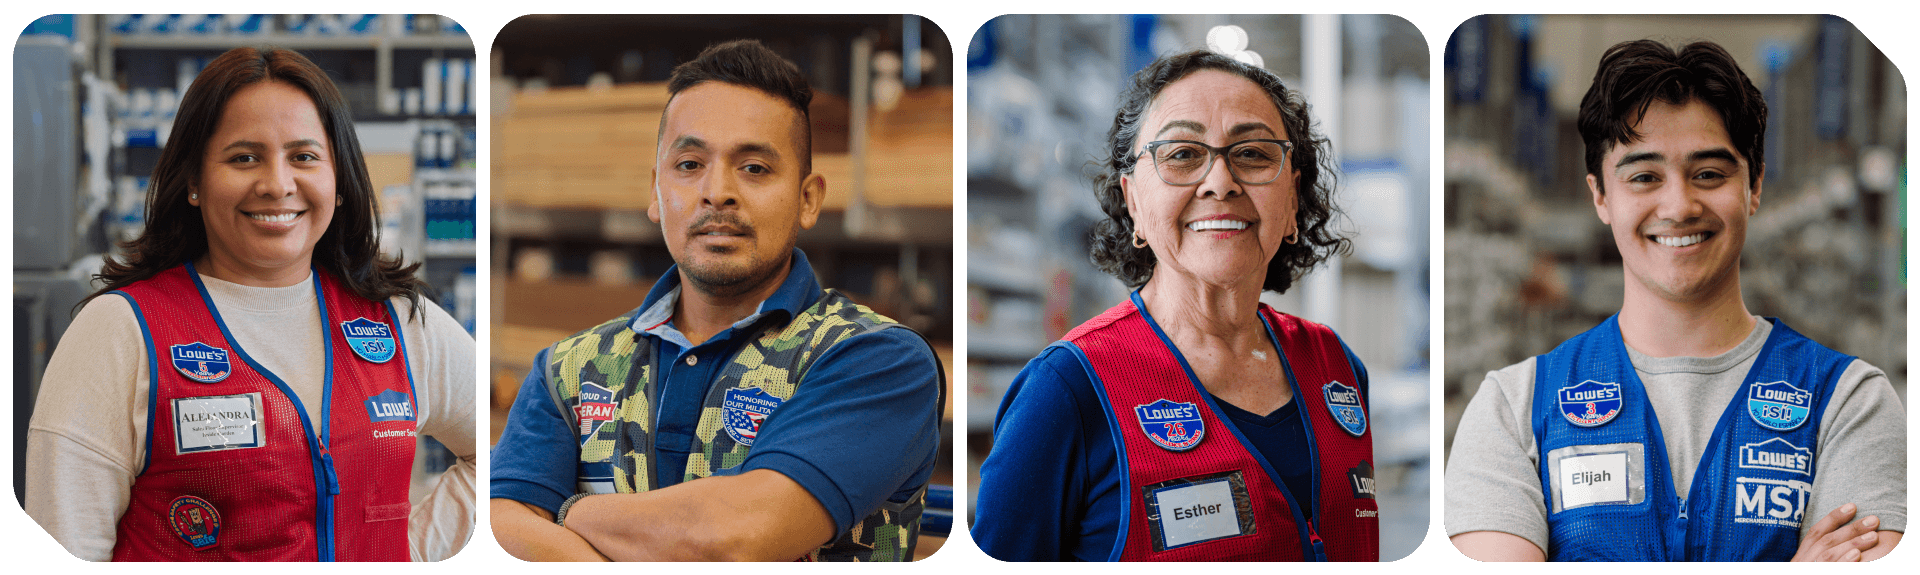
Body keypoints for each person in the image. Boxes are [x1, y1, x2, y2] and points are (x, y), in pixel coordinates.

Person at [1445, 39, 1904, 561]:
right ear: (1601, 196)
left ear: (1754, 186)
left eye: (1709, 174)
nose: (1679, 205)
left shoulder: (1849, 403)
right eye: (1644, 177)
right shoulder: (1514, 411)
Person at [487, 39, 945, 562]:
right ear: (655, 193)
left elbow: (732, 539)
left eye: (754, 168)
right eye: (688, 164)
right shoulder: (570, 370)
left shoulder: (877, 360)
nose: (717, 191)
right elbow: (502, 524)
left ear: (808, 198)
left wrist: (567, 512)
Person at [25, 46, 477, 561]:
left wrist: (409, 549)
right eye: (244, 157)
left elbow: (504, 453)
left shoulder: (398, 323)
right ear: (194, 180)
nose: (277, 185)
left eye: (304, 157)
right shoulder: (122, 330)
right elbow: (68, 531)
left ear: (340, 181)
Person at [973, 49, 1374, 561]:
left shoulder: (1335, 367)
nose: (1220, 181)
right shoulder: (1067, 392)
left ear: (1292, 197)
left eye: (1253, 153)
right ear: (1134, 201)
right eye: (1182, 154)